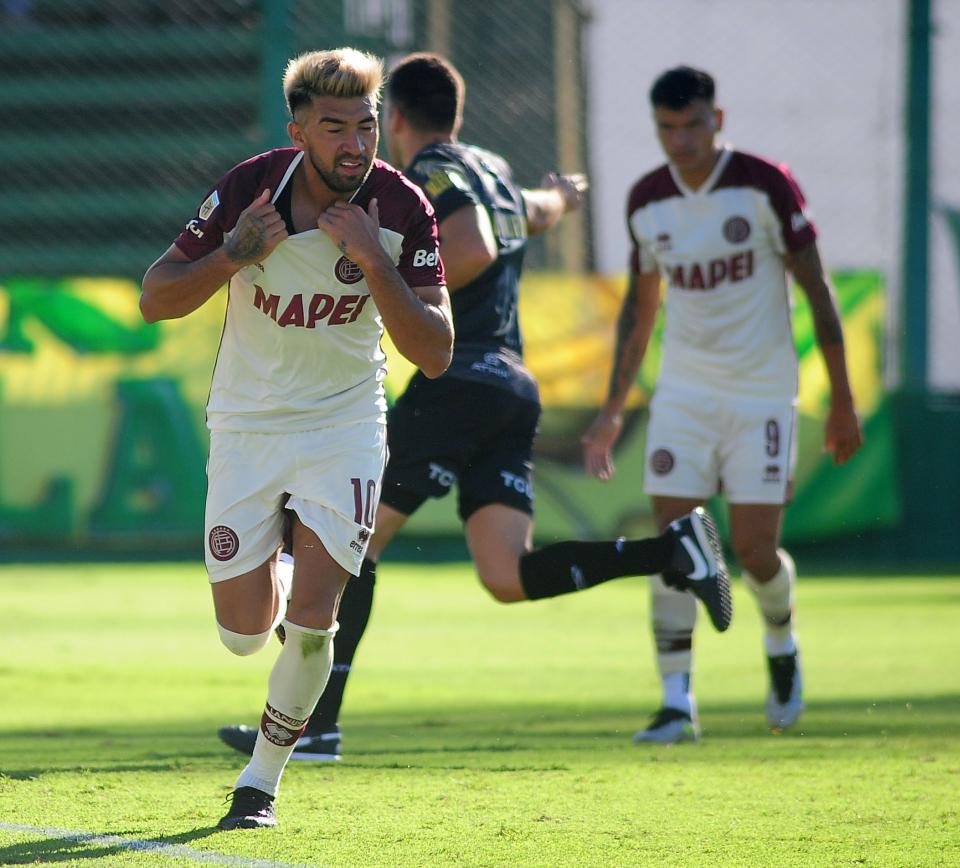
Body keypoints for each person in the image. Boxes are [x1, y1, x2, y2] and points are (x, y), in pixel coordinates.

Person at [215, 51, 732, 762]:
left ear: (392, 120)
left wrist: (370, 271)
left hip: (457, 378)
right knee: (505, 575)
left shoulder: (425, 180)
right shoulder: (487, 169)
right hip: (511, 382)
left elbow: (475, 245)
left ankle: (318, 727)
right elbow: (536, 212)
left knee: (348, 545)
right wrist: (562, 197)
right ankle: (670, 549)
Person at [141, 47, 454, 829]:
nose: (357, 144)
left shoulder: (401, 205)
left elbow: (437, 351)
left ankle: (260, 783)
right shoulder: (251, 188)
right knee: (245, 636)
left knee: (315, 622)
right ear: (299, 131)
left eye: (368, 125)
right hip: (247, 425)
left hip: (345, 425)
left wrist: (374, 259)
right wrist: (233, 253)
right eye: (335, 127)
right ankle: (282, 557)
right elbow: (155, 299)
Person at [581, 66, 864, 743]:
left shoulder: (765, 185)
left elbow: (819, 291)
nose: (680, 142)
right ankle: (677, 703)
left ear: (719, 119)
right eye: (667, 129)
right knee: (674, 546)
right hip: (684, 394)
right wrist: (613, 408)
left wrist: (843, 400)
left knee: (754, 550)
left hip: (763, 393)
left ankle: (781, 640)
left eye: (693, 126)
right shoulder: (647, 200)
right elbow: (640, 309)